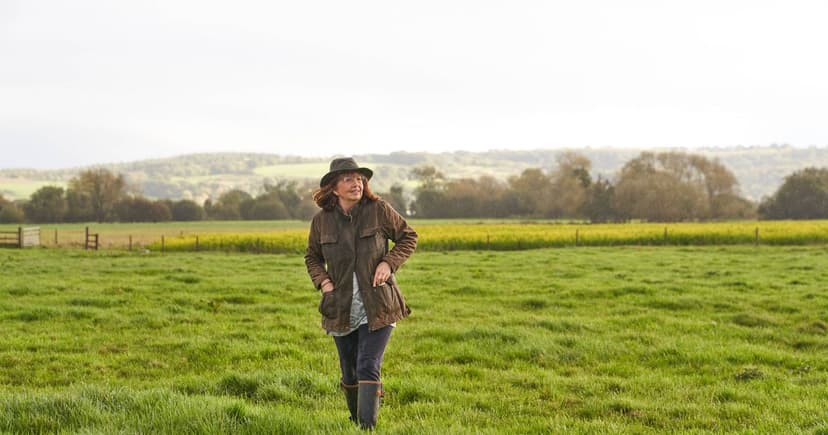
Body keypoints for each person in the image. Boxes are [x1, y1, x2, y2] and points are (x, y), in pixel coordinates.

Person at [305, 157, 417, 430]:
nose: (356, 183)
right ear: (334, 188)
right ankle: (355, 423)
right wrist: (324, 283)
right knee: (349, 370)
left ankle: (367, 427)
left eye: (359, 178)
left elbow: (408, 236)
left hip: (379, 303)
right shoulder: (322, 221)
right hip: (340, 306)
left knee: (368, 364)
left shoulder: (379, 209)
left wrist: (388, 263)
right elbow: (312, 257)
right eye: (348, 179)